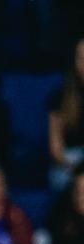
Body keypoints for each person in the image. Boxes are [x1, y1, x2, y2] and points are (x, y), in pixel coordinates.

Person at [48, 37, 84, 191]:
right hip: (70, 161)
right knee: (60, 178)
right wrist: (76, 168)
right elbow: (56, 148)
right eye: (81, 57)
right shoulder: (60, 97)